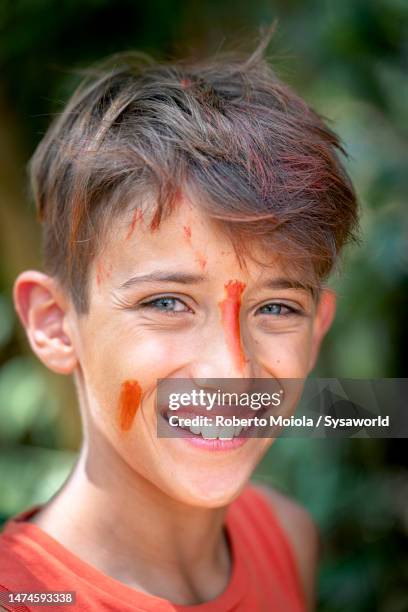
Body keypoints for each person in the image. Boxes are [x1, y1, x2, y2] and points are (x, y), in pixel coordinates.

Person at [0, 32, 358, 612]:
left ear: (317, 329)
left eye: (277, 308)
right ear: (55, 324)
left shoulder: (287, 540)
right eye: (167, 303)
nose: (232, 373)